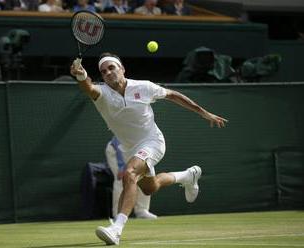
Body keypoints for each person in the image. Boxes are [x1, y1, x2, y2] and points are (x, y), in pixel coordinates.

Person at [70, 52, 228, 246]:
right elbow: (88, 87)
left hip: (152, 142)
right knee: (150, 188)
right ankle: (188, 176)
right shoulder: (102, 94)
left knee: (129, 174)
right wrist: (80, 75)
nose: (108, 73)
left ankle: (116, 229)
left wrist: (204, 114)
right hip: (130, 149)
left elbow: (173, 95)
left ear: (122, 69)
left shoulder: (143, 87)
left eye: (112, 68)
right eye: (104, 71)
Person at [106, 136, 157, 219]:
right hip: (116, 150)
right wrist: (121, 167)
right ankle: (117, 213)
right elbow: (120, 146)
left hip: (138, 149)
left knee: (143, 177)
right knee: (121, 179)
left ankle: (142, 210)